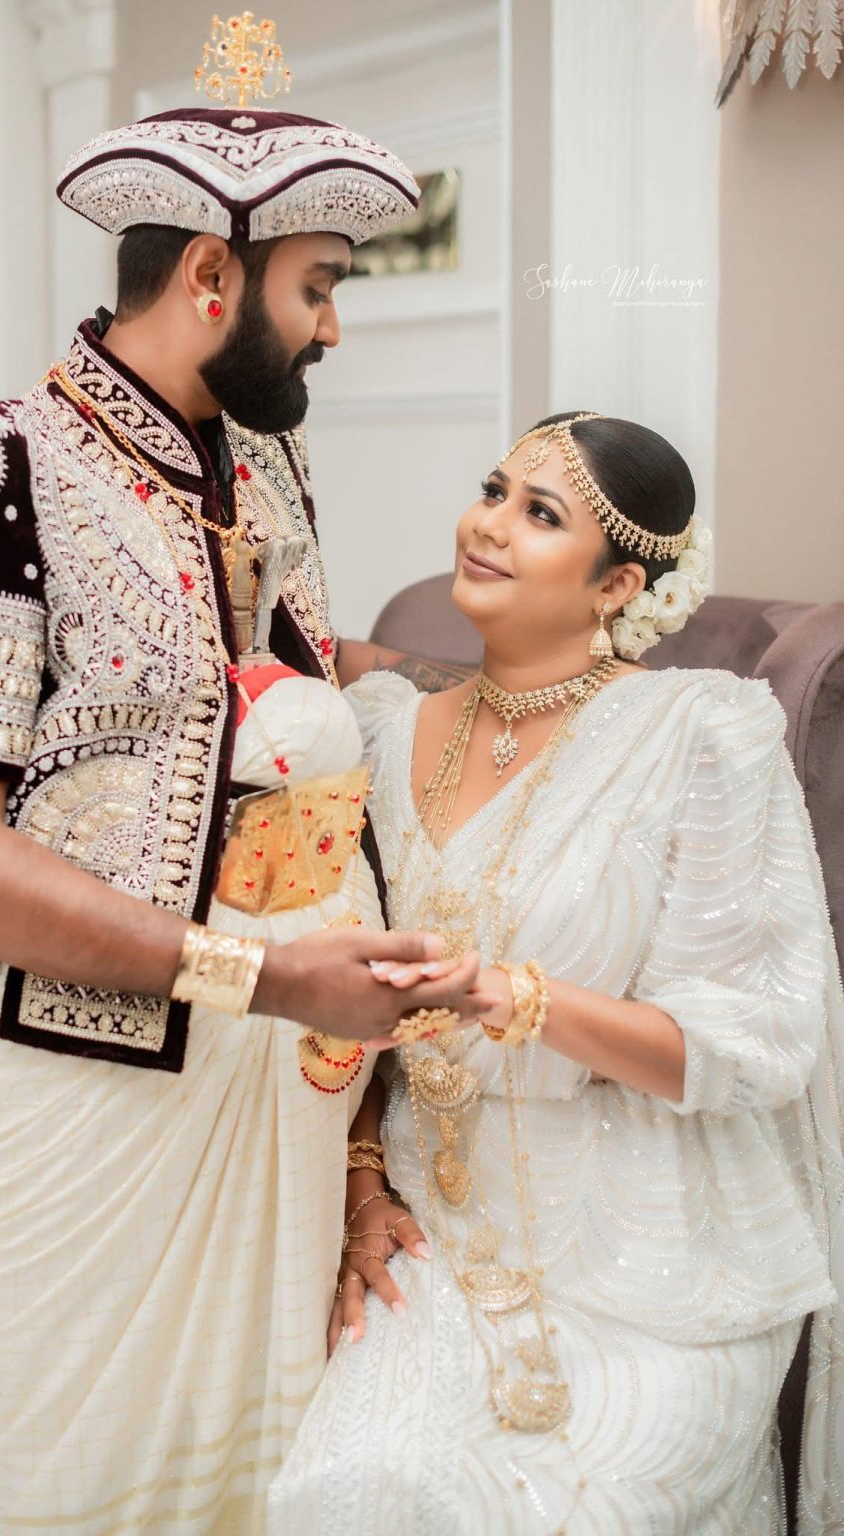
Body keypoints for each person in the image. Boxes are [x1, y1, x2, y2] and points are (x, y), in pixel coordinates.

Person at [0, 103, 485, 1535]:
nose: (330, 328)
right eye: (317, 288)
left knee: (252, 1450)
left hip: (251, 1053)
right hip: (31, 1062)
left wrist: (516, 697)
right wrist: (268, 979)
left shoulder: (256, 460)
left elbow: (282, 667)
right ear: (209, 275)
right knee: (96, 1477)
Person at [268, 411, 844, 1535]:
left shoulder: (699, 732)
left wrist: (512, 997)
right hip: (432, 1233)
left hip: (659, 1260)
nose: (488, 525)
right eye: (494, 491)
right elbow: (336, 1009)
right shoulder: (378, 734)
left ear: (615, 584)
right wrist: (361, 1188)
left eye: (539, 515)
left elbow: (754, 1044)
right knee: (353, 1490)